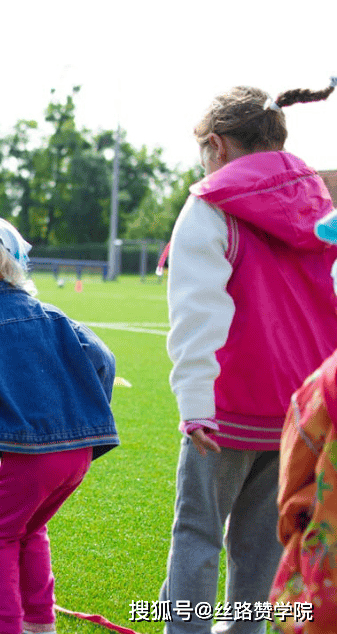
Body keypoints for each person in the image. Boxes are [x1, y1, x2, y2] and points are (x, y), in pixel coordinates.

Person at [160, 80, 337, 634]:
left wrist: (195, 404)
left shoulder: (210, 204)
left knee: (197, 533)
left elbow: (197, 315)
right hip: (300, 412)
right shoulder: (320, 202)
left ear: (217, 145)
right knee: (262, 541)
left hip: (227, 405)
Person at [0, 216, 118, 634]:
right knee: (30, 529)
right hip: (77, 456)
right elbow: (104, 360)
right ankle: (38, 621)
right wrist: (85, 415)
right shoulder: (54, 315)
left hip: (28, 457)